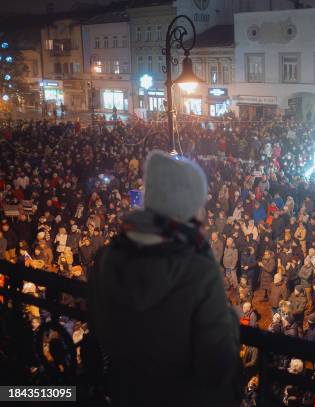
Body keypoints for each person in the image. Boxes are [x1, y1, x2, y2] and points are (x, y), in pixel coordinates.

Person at [89, 150, 240, 407]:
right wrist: (232, 319)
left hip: (126, 392)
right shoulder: (198, 268)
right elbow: (217, 363)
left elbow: (99, 325)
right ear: (187, 208)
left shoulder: (108, 255)